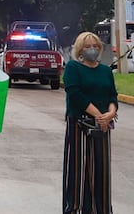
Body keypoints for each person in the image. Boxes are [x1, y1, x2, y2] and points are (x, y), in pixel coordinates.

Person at [62, 31, 118, 214]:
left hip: (102, 127)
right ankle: (75, 209)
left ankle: (101, 209)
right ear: (80, 49)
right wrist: (99, 115)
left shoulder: (105, 71)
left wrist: (110, 114)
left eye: (95, 46)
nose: (92, 49)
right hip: (80, 125)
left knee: (101, 172)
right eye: (87, 46)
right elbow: (75, 94)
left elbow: (112, 96)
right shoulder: (73, 68)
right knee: (78, 171)